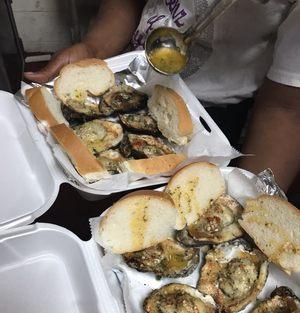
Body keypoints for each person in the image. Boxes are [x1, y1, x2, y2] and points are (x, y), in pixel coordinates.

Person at [24, 0, 300, 193]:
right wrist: (95, 47)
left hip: (211, 120)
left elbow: (286, 109)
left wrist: (253, 199)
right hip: (130, 72)